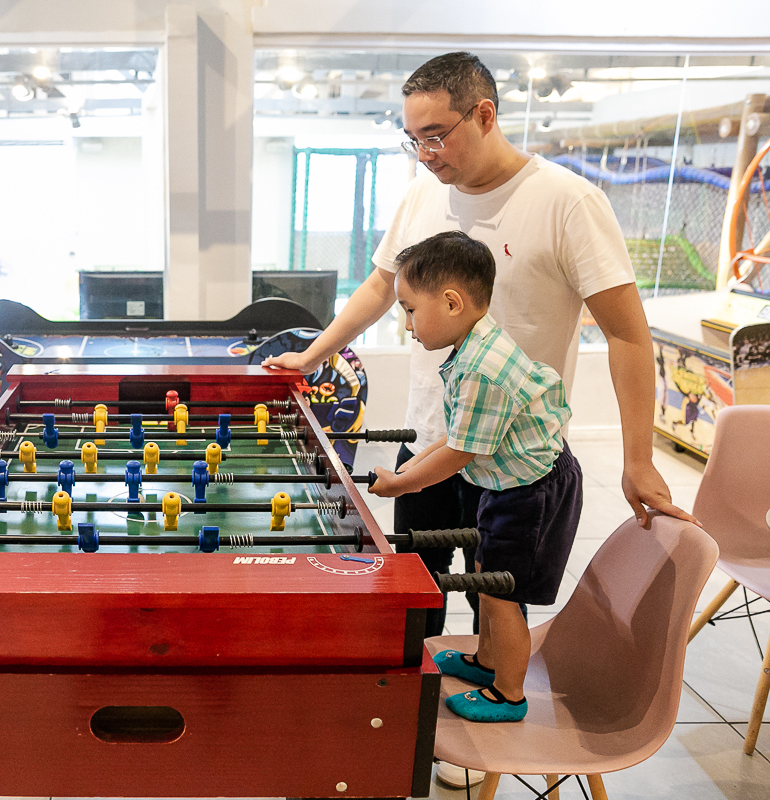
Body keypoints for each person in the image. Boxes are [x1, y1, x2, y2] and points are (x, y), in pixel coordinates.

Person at [263, 51, 694, 640]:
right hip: (431, 439)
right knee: (419, 583)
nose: (425, 153)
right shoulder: (421, 194)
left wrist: (639, 458)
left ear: (484, 114)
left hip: (514, 456)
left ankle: (497, 694)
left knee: (496, 593)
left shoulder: (569, 202)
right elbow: (381, 284)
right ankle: (421, 707)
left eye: (436, 135)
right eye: (413, 138)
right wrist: (314, 354)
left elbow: (626, 334)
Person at [368, 231, 582, 723]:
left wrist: (404, 483)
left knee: (499, 592)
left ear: (450, 302)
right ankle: (487, 663)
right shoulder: (471, 349)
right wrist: (409, 471)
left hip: (531, 491)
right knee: (486, 580)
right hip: (508, 483)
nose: (406, 325)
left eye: (409, 310)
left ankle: (509, 694)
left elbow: (461, 452)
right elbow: (455, 434)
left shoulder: (482, 369)